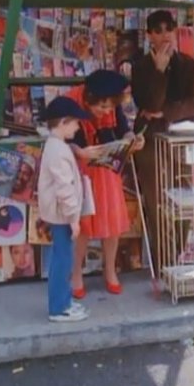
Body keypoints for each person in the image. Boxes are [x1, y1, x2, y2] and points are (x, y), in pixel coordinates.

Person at [131, 10, 194, 268]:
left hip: (180, 140)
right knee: (156, 201)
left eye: (168, 30)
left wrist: (166, 112)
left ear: (175, 31)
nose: (164, 36)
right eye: (158, 31)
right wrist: (158, 73)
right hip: (150, 141)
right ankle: (164, 262)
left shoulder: (188, 64)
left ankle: (181, 256)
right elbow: (148, 102)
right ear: (149, 35)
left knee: (183, 196)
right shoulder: (140, 67)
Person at [65, 70, 145, 298]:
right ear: (89, 97)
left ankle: (110, 269)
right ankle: (76, 273)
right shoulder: (70, 102)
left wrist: (132, 140)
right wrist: (79, 151)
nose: (106, 112)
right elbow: (58, 138)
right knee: (82, 225)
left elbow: (123, 130)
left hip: (107, 169)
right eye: (101, 107)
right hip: (79, 171)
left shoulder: (112, 103)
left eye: (110, 107)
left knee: (111, 222)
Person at [37, 96, 90, 322]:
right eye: (75, 123)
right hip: (62, 215)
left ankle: (64, 301)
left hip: (60, 213)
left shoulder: (55, 146)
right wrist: (73, 218)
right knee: (63, 259)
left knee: (63, 257)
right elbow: (64, 188)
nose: (78, 127)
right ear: (63, 122)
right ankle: (59, 308)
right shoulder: (58, 151)